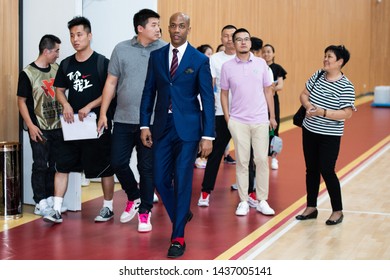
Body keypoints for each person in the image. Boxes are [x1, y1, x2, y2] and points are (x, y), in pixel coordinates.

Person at [140, 12, 214, 258]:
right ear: (167, 28)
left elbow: (208, 99)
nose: (176, 29)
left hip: (189, 129)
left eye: (181, 26)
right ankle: (181, 213)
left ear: (188, 29)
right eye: (172, 25)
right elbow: (149, 92)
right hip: (162, 126)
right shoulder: (157, 56)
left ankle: (178, 236)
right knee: (160, 180)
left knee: (182, 180)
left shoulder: (199, 59)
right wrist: (144, 125)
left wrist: (208, 136)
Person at [97, 9, 165, 233]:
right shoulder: (121, 49)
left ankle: (145, 213)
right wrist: (103, 113)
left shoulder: (164, 49)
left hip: (152, 121)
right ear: (140, 28)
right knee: (117, 162)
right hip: (124, 119)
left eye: (158, 24)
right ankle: (134, 196)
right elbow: (111, 83)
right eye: (154, 24)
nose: (158, 28)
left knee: (146, 168)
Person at [43, 16, 115, 224]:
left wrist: (90, 106)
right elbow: (59, 91)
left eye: (79, 34)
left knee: (104, 167)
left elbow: (110, 92)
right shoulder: (66, 64)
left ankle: (107, 207)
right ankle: (56, 210)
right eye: (72, 35)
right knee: (62, 165)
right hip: (72, 125)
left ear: (89, 36)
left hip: (96, 123)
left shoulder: (102, 62)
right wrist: (65, 104)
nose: (75, 39)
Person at [296, 45, 355, 225]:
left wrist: (321, 112)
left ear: (340, 62)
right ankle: (311, 207)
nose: (325, 59)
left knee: (327, 170)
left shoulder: (346, 85)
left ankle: (337, 210)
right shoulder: (318, 75)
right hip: (309, 130)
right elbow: (303, 95)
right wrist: (308, 106)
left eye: (329, 57)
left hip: (330, 135)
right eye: (325, 56)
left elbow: (347, 113)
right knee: (311, 170)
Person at [220, 28, 277, 216]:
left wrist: (272, 116)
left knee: (261, 160)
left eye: (246, 39)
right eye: (239, 39)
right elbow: (224, 93)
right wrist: (228, 118)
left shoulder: (261, 64)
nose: (243, 42)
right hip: (238, 122)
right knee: (242, 162)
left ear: (250, 43)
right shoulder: (227, 67)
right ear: (233, 44)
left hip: (260, 120)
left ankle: (262, 200)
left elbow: (269, 90)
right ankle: (243, 200)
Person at [17, 34, 66, 216]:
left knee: (55, 164)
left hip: (57, 125)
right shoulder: (27, 73)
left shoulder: (56, 69)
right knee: (40, 164)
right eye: (56, 51)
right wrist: (30, 125)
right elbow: (21, 101)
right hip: (38, 126)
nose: (58, 54)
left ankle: (52, 199)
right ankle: (40, 201)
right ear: (46, 51)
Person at [197, 25, 237, 207]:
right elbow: (209, 87)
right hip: (220, 113)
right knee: (215, 154)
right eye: (225, 36)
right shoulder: (214, 59)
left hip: (243, 115)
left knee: (248, 156)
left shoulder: (246, 58)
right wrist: (209, 113)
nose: (229, 39)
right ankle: (205, 191)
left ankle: (251, 193)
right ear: (221, 39)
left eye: (232, 36)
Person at [262, 44, 287, 170]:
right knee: (262, 130)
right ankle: (263, 158)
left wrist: (270, 89)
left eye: (269, 51)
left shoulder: (277, 69)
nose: (266, 54)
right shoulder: (260, 66)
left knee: (274, 129)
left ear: (273, 54)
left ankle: (274, 158)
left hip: (272, 102)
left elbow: (280, 86)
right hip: (260, 102)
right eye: (264, 52)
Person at [194, 43, 214, 169]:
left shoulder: (209, 68)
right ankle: (198, 157)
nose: (211, 56)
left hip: (206, 107)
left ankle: (201, 156)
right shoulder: (197, 66)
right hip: (196, 108)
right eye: (208, 54)